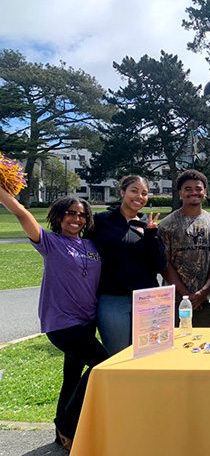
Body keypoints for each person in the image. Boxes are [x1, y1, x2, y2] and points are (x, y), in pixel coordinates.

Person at [0, 187, 108, 450]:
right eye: (70, 213)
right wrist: (3, 187)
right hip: (62, 323)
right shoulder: (49, 242)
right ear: (59, 217)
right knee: (103, 365)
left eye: (82, 215)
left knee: (71, 377)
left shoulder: (91, 244)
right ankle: (67, 424)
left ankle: (61, 433)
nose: (76, 219)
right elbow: (21, 212)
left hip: (87, 321)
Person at [87, 175, 167, 356]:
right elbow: (86, 254)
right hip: (112, 299)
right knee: (117, 354)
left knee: (149, 354)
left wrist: (151, 236)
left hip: (147, 299)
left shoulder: (149, 225)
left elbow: (160, 265)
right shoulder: (101, 220)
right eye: (134, 191)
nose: (139, 196)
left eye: (144, 193)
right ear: (122, 192)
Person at [159, 169, 210, 328]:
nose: (194, 192)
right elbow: (164, 265)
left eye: (198, 189)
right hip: (175, 300)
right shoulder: (167, 225)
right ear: (180, 192)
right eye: (188, 189)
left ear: (205, 192)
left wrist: (203, 292)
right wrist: (187, 295)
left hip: (206, 300)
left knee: (204, 347)